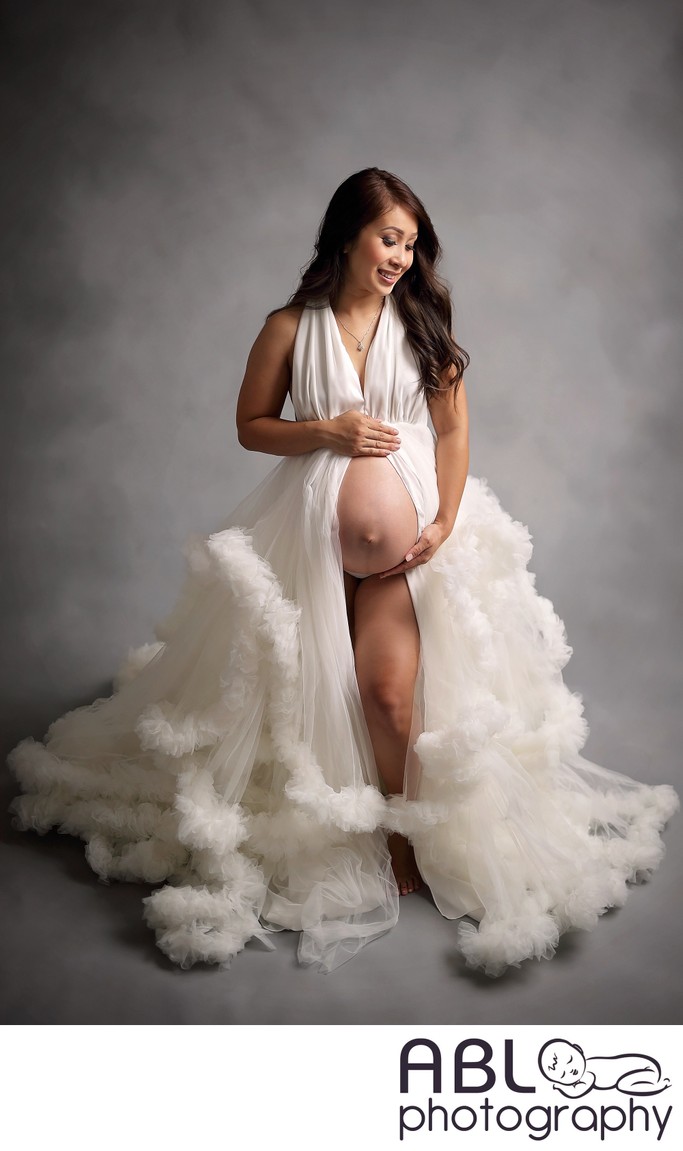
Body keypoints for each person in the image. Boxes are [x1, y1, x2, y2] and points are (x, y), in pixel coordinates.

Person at [8, 168, 678, 977]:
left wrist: (441, 520)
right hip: (306, 550)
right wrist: (324, 430)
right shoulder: (291, 327)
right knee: (306, 702)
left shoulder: (423, 322)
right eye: (387, 237)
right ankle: (335, 820)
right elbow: (251, 426)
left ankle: (400, 829)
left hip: (405, 557)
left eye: (409, 242)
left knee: (388, 697)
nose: (400, 255)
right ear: (347, 235)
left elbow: (453, 434)